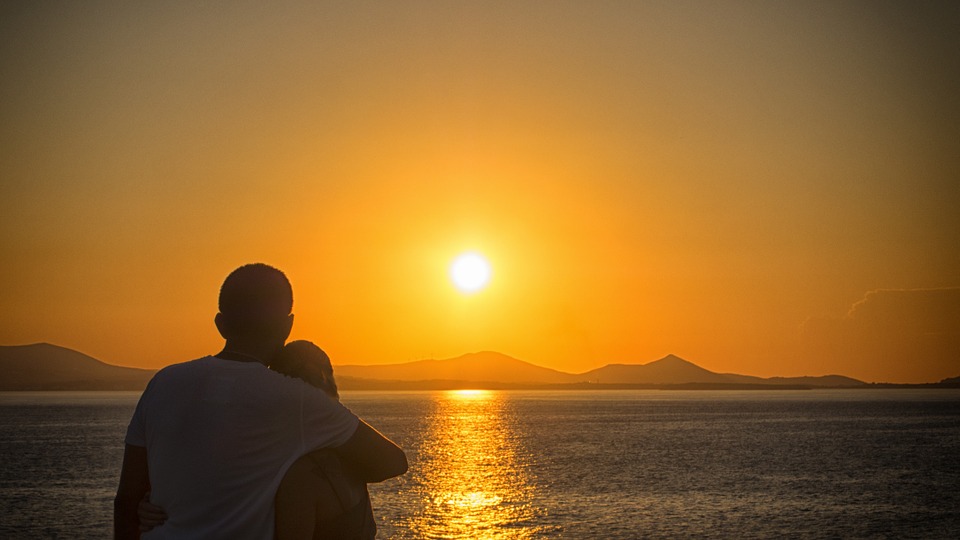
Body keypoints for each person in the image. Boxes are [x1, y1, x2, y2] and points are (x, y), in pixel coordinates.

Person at [114, 263, 407, 539]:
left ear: (220, 324)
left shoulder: (163, 383)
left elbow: (127, 498)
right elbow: (392, 462)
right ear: (288, 326)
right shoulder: (298, 400)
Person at [271, 341, 377, 540]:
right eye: (329, 373)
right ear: (322, 376)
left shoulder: (291, 467)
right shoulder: (348, 456)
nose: (334, 383)